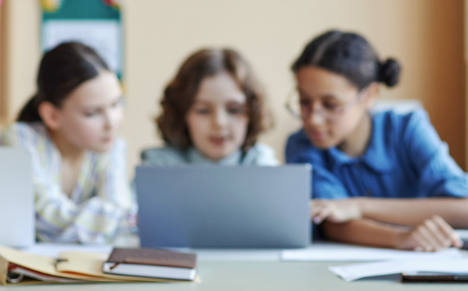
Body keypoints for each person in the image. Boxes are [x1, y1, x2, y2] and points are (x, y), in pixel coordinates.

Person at [285, 30, 468, 251]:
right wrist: (400, 238)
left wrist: (358, 207)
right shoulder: (301, 145)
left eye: (331, 105)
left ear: (369, 95)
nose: (313, 119)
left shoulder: (407, 128)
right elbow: (332, 223)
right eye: (304, 101)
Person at [0, 42, 135, 244]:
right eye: (92, 113)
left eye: (116, 104)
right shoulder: (20, 140)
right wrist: (120, 219)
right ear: (52, 115)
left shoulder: (110, 146)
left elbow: (121, 212)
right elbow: (48, 223)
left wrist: (119, 219)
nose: (111, 123)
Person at [142, 48, 278, 166]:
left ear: (251, 113)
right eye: (203, 111)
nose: (219, 123)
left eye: (234, 110)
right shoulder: (159, 166)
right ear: (182, 114)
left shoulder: (262, 163)